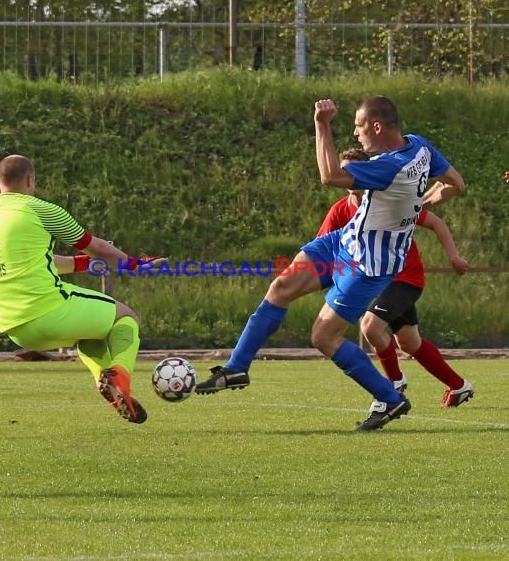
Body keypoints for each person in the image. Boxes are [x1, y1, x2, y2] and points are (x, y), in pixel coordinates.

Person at [196, 96, 465, 432]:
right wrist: (422, 202)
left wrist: (321, 123)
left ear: (377, 127)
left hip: (368, 263)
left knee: (324, 337)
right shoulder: (420, 147)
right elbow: (457, 184)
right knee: (281, 288)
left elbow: (329, 176)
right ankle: (236, 367)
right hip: (344, 241)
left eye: (358, 126)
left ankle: (391, 398)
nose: (355, 133)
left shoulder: (387, 167)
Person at [0, 155, 162, 425]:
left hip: (13, 327)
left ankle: (108, 380)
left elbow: (44, 262)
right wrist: (134, 265)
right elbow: (96, 246)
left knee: (90, 334)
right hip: (47, 310)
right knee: (126, 317)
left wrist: (87, 263)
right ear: (30, 180)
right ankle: (119, 374)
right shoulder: (40, 209)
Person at [317, 149, 474, 409]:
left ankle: (394, 383)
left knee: (370, 327)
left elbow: (437, 223)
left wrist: (454, 257)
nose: (348, 176)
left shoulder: (388, 200)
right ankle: (459, 386)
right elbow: (323, 247)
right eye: (345, 170)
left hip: (405, 278)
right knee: (410, 343)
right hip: (379, 281)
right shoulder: (339, 211)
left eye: (354, 171)